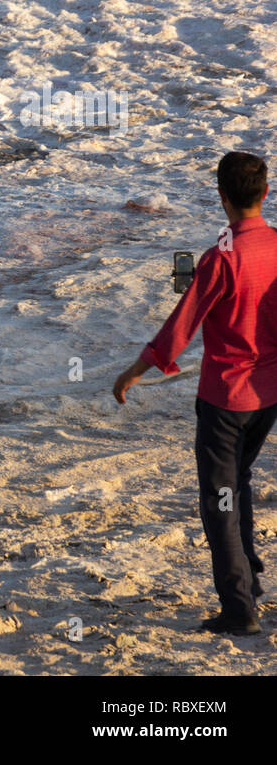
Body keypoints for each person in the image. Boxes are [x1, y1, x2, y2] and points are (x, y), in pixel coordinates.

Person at [114, 151, 277, 635]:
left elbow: (179, 329)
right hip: (268, 396)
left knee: (220, 500)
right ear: (265, 193)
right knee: (238, 481)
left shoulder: (220, 257)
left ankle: (238, 608)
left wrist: (133, 372)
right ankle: (250, 580)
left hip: (225, 399)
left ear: (221, 197)